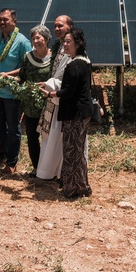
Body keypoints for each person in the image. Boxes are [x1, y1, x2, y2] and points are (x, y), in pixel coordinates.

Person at [47, 26, 93, 199]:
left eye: (68, 42)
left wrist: (51, 94)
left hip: (75, 114)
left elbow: (68, 92)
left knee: (71, 151)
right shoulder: (85, 61)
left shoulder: (74, 66)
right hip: (82, 113)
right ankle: (82, 186)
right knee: (78, 151)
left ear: (78, 43)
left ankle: (72, 189)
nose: (65, 45)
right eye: (64, 42)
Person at [0, 7, 32, 175]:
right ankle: (2, 155)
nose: (2, 22)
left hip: (12, 93)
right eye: (0, 19)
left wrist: (7, 74)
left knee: (13, 128)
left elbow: (26, 67)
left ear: (14, 21)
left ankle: (12, 161)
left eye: (6, 20)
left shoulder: (22, 42)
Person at [36, 14, 74, 181]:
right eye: (55, 26)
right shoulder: (58, 46)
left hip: (62, 98)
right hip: (53, 96)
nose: (57, 29)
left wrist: (50, 86)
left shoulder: (70, 49)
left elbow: (66, 75)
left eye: (61, 26)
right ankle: (49, 171)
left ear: (69, 27)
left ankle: (60, 172)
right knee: (51, 139)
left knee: (59, 139)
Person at [20, 24, 53, 176]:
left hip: (50, 104)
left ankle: (49, 168)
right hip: (32, 105)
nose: (36, 41)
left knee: (49, 137)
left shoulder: (54, 58)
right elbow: (22, 77)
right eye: (33, 38)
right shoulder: (28, 58)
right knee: (33, 138)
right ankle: (37, 167)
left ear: (46, 39)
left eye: (39, 37)